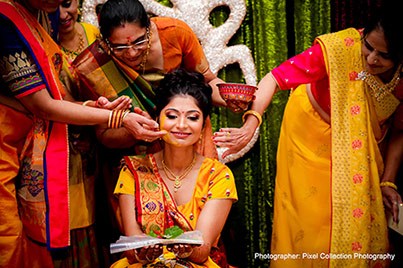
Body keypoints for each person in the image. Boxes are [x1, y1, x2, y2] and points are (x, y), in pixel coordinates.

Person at [214, 1, 402, 267]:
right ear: (362, 35)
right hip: (310, 135)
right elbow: (274, 79)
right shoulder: (339, 50)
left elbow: (399, 129)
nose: (372, 59)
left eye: (384, 55)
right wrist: (250, 124)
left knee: (358, 218)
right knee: (314, 223)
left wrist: (388, 182)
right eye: (368, 47)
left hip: (364, 146)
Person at [0, 0, 166, 267]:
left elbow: (57, 97)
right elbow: (43, 105)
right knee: (10, 239)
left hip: (60, 148)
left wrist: (95, 106)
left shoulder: (41, 15)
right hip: (12, 145)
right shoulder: (7, 20)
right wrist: (117, 116)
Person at [111, 68, 238, 268]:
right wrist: (144, 253)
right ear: (157, 117)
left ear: (203, 123)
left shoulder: (218, 176)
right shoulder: (133, 171)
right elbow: (132, 251)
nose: (181, 125)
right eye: (171, 116)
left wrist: (187, 248)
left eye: (192, 117)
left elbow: (202, 252)